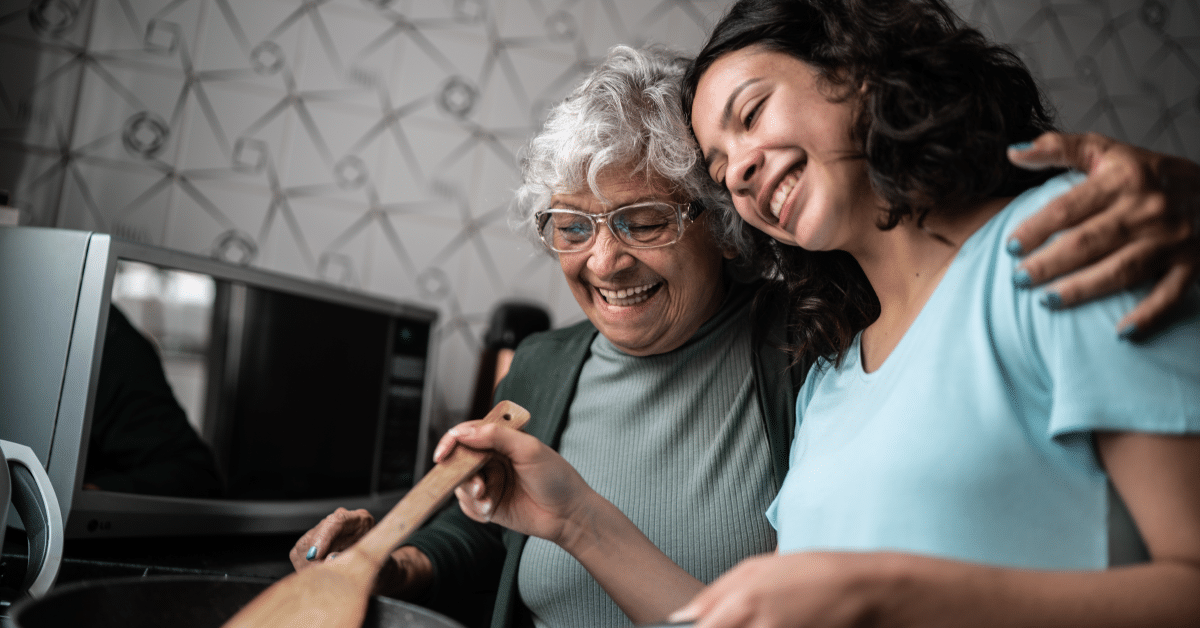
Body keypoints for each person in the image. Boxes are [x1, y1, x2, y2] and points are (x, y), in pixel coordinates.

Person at [293, 41, 1200, 628]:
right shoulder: (543, 363)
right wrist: (394, 559)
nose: (603, 261)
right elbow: (491, 534)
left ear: (719, 226)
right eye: (570, 226)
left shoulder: (809, 341)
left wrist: (1182, 188)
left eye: (643, 219)